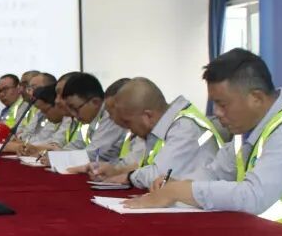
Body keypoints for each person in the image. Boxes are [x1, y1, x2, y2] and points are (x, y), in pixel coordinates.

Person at [124, 49, 282, 234]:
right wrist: (178, 183)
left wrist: (180, 190)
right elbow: (216, 172)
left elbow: (253, 196)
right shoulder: (248, 128)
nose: (216, 113)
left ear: (256, 98)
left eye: (222, 104)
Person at [89, 77, 220, 187]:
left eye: (128, 122)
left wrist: (128, 177)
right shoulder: (162, 127)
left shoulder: (184, 127)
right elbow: (146, 166)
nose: (129, 129)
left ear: (147, 116)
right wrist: (117, 171)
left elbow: (159, 174)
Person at [61, 73, 128, 162]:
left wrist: (59, 157)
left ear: (95, 102)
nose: (73, 114)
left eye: (75, 108)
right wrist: (57, 155)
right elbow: (78, 144)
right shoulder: (90, 119)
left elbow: (94, 154)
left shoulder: (110, 115)